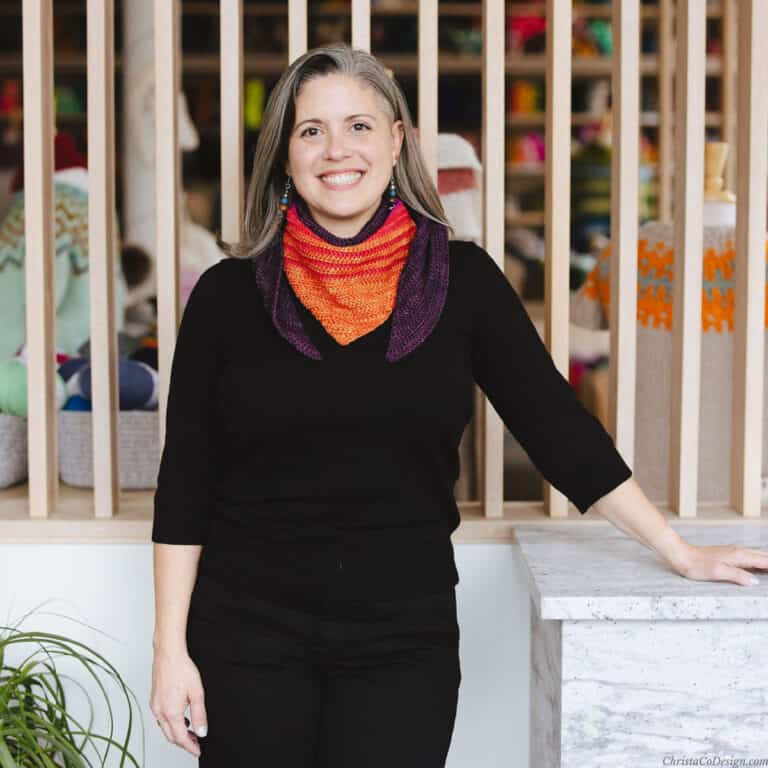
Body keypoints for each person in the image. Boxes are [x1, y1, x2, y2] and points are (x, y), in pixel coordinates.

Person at [149, 43, 768, 767]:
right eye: (310, 130)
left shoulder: (463, 281)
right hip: (246, 635)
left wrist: (680, 551)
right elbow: (186, 480)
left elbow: (557, 428)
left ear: (396, 140)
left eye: (358, 126)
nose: (335, 149)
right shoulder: (227, 296)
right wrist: (170, 651)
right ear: (285, 155)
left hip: (401, 640)